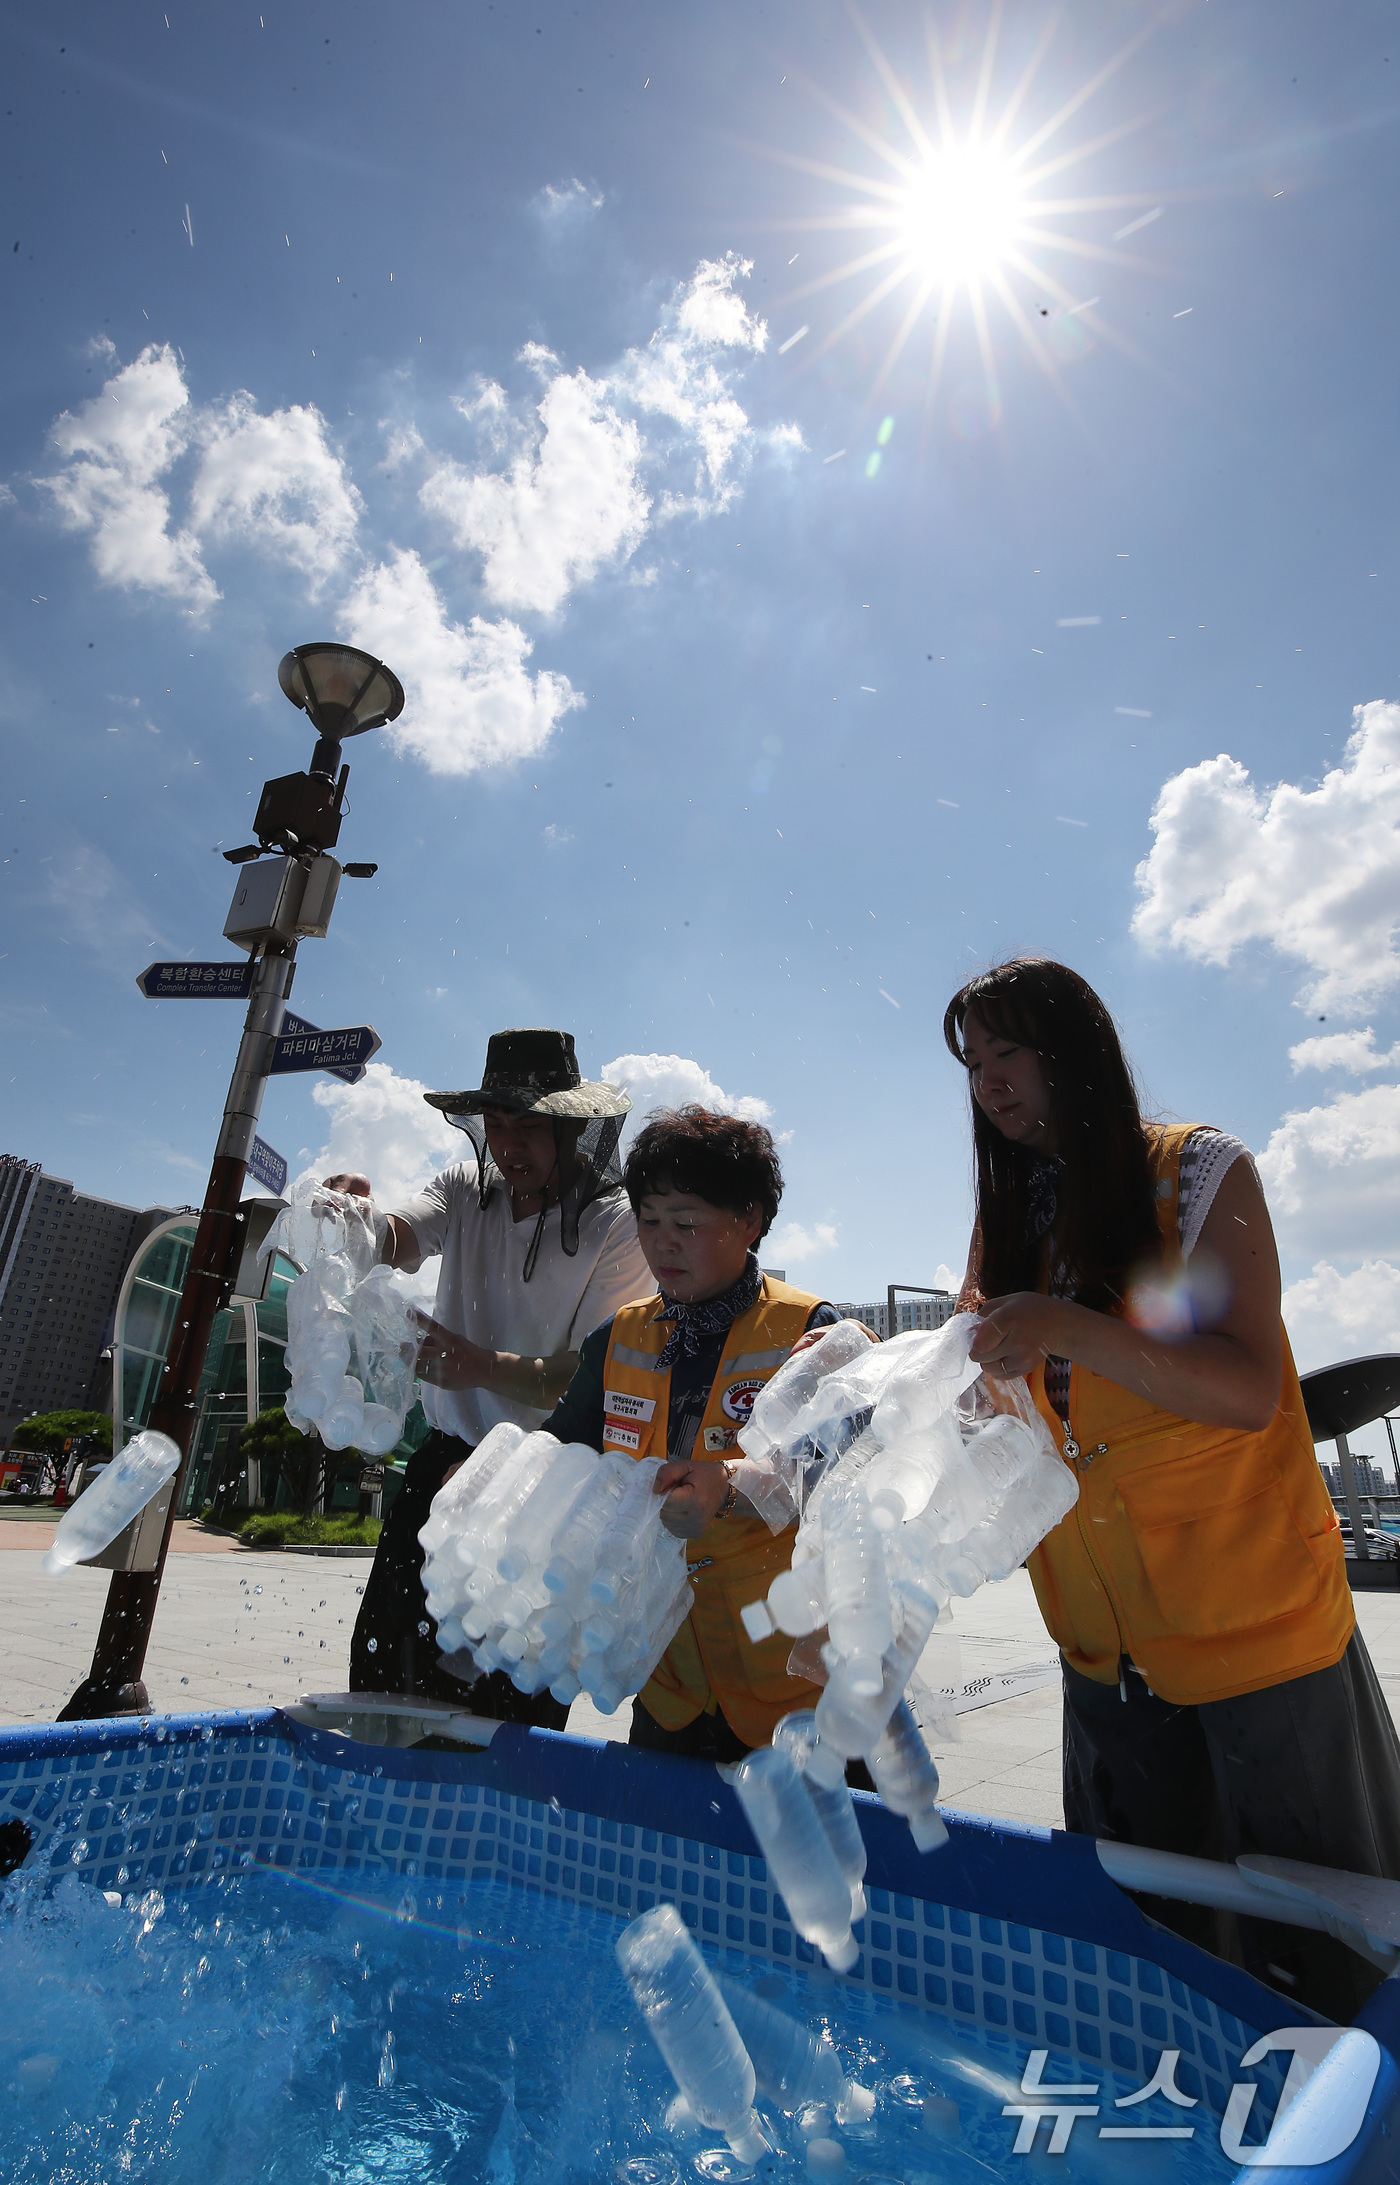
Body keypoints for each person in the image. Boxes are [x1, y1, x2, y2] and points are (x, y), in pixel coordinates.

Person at [945, 956, 1400, 2018]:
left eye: (1008, 1050)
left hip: (1258, 1634)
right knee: (1144, 1953)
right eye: (971, 1062)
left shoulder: (1193, 1174)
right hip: (1105, 1655)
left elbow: (1245, 1388)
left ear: (1077, 1049)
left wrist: (1066, 1328)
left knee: (1321, 1952)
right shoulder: (1006, 1211)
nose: (989, 1082)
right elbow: (993, 1387)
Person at [326, 1028, 650, 1716]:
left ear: (576, 1126)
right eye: (496, 1124)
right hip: (440, 1471)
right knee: (386, 1684)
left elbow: (594, 1379)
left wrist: (479, 1365)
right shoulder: (466, 1189)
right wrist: (354, 1216)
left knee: (509, 1712)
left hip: (541, 1490)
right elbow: (396, 1235)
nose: (509, 1145)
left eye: (531, 1126)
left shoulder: (618, 1225)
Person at [543, 1105, 850, 1761]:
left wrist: (732, 1487)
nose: (662, 1242)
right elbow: (561, 1455)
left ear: (750, 1221)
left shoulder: (807, 1331)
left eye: (685, 1222)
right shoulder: (618, 1337)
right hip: (672, 1687)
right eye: (648, 1221)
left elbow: (838, 1464)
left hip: (794, 1685)